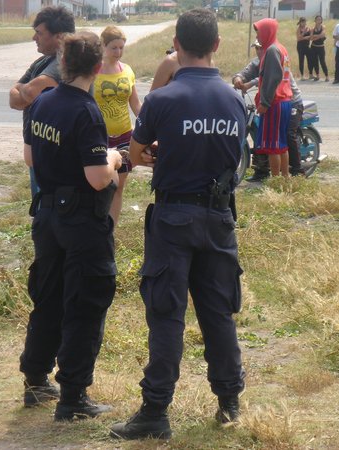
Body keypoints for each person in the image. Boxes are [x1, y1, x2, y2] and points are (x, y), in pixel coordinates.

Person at [110, 8, 246, 440]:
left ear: (177, 46)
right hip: (220, 216)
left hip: (173, 217)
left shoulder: (162, 99)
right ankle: (230, 403)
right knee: (218, 312)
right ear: (217, 46)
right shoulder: (234, 99)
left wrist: (154, 154)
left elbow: (135, 152)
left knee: (167, 315)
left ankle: (155, 412)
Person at [19, 31, 123, 421]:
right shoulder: (86, 111)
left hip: (47, 215)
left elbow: (30, 157)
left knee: (48, 296)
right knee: (85, 302)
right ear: (97, 68)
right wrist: (114, 157)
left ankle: (35, 377)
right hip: (81, 220)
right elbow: (98, 177)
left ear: (63, 63)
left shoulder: (43, 101)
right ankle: (74, 396)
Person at [9, 6, 75, 198]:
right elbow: (14, 99)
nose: (34, 38)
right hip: (40, 154)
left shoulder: (62, 64)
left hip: (53, 157)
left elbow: (27, 92)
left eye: (39, 33)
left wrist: (25, 90)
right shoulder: (42, 62)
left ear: (59, 37)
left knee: (49, 214)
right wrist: (25, 91)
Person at [232, 39, 305, 181]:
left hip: (292, 102)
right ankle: (262, 170)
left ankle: (297, 170)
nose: (259, 51)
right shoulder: (260, 60)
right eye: (256, 49)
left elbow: (272, 79)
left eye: (261, 47)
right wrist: (238, 78)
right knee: (262, 134)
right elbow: (247, 72)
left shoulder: (275, 56)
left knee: (286, 135)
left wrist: (250, 84)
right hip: (272, 102)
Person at [93, 26, 142, 223]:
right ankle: (95, 224)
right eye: (114, 48)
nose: (118, 52)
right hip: (98, 137)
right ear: (103, 45)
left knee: (118, 186)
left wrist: (150, 125)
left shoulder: (127, 71)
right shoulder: (92, 71)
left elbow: (136, 104)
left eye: (121, 47)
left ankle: (110, 229)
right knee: (99, 184)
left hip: (123, 135)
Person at [254, 18, 293, 177]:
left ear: (267, 32)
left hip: (274, 102)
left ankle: (276, 181)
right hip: (284, 101)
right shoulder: (281, 48)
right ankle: (285, 179)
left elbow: (272, 78)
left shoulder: (271, 50)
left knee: (272, 147)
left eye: (259, 33)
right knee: (282, 145)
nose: (257, 37)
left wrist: (264, 102)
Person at [309, 15, 329, 82]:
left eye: (320, 19)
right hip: (314, 47)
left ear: (321, 21)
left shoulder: (323, 27)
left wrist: (315, 36)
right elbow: (311, 38)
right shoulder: (312, 29)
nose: (318, 21)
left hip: (321, 47)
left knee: (322, 62)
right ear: (315, 20)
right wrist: (318, 36)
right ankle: (317, 76)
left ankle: (327, 76)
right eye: (317, 19)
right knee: (315, 62)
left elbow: (323, 35)